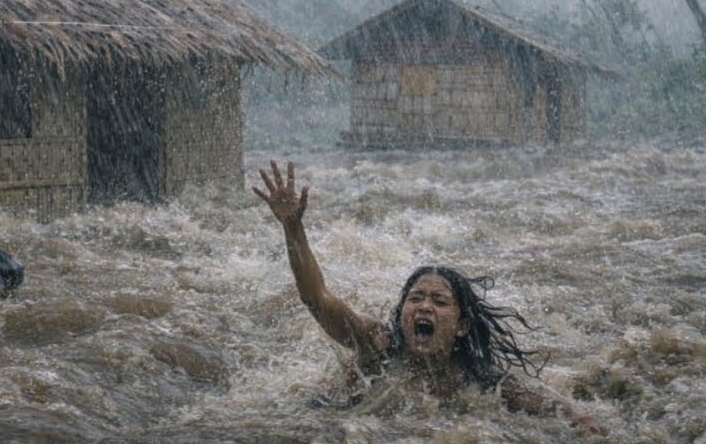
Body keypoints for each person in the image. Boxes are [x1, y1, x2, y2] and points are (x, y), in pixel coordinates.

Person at [254, 160, 606, 436]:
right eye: (416, 298)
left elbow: (550, 406)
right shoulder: (377, 344)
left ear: (463, 325)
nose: (424, 306)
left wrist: (582, 420)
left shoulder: (479, 379)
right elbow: (316, 298)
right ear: (403, 310)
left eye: (439, 302)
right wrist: (292, 227)